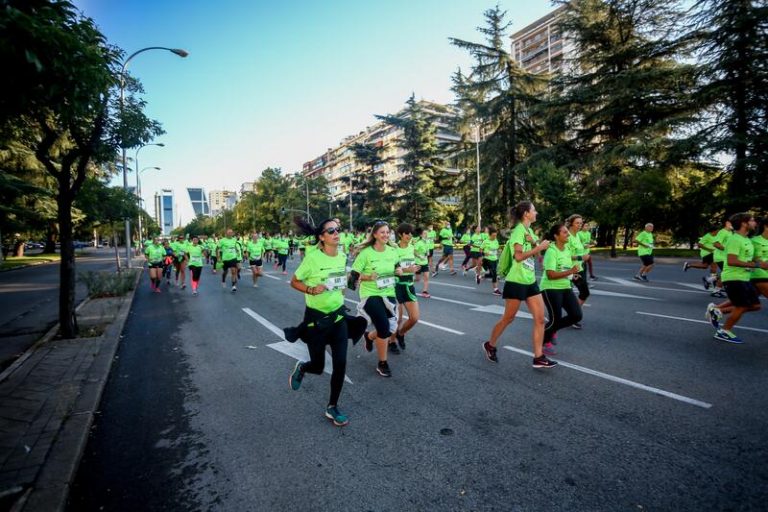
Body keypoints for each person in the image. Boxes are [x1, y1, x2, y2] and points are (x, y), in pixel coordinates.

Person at [288, 218, 352, 427]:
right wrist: (311, 289)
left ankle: (332, 406)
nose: (336, 233)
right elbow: (294, 281)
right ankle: (303, 368)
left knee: (340, 364)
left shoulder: (342, 256)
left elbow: (340, 282)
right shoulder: (312, 258)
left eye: (338, 230)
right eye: (331, 230)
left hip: (338, 318)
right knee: (318, 366)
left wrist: (343, 290)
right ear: (322, 237)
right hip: (316, 320)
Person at [482, 201, 557, 369]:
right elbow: (518, 257)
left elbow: (532, 254)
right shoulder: (518, 232)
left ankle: (538, 357)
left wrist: (536, 246)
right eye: (534, 210)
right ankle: (490, 345)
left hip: (530, 281)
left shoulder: (528, 231)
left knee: (539, 319)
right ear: (526, 214)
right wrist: (540, 247)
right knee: (508, 318)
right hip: (516, 281)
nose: (536, 212)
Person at [706, 213, 766, 343]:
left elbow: (751, 258)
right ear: (744, 223)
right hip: (734, 278)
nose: (754, 223)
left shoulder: (747, 240)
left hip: (744, 278)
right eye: (752, 220)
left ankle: (717, 311)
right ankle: (724, 331)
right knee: (742, 306)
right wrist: (756, 265)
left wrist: (760, 263)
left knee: (756, 305)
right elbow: (732, 260)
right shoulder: (734, 239)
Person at [352, 220, 399, 377]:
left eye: (388, 232)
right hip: (370, 294)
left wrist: (399, 270)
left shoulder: (393, 251)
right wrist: (367, 276)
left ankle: (368, 336)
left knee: (387, 328)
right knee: (384, 327)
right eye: (382, 232)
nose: (386, 235)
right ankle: (382, 363)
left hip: (389, 293)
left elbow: (396, 267)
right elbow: (353, 277)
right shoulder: (366, 253)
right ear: (375, 235)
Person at [541, 224, 583, 355]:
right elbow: (551, 274)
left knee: (576, 315)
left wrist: (572, 274)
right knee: (555, 319)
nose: (568, 234)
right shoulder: (551, 251)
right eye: (565, 232)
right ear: (556, 236)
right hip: (550, 288)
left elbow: (564, 269)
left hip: (565, 287)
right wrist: (570, 271)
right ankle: (543, 340)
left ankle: (550, 330)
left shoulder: (567, 250)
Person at [393, 223, 422, 351]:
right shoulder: (394, 249)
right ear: (400, 235)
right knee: (397, 318)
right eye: (407, 233)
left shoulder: (411, 247)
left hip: (409, 286)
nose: (409, 235)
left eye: (411, 233)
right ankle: (391, 341)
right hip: (396, 286)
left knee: (414, 318)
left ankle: (400, 334)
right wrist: (407, 269)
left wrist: (416, 268)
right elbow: (391, 269)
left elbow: (413, 263)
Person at [566, 214, 590, 328]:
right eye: (577, 223)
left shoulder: (577, 236)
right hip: (572, 270)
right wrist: (581, 257)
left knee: (582, 292)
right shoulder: (568, 237)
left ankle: (573, 315)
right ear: (571, 223)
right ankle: (573, 316)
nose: (580, 225)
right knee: (584, 292)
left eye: (581, 223)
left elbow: (579, 250)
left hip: (580, 268)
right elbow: (565, 256)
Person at [478, 226, 501, 295]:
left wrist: (498, 250)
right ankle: (495, 290)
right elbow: (480, 249)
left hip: (495, 259)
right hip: (487, 259)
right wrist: (484, 253)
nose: (494, 237)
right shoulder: (486, 241)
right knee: (494, 274)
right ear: (490, 235)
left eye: (496, 235)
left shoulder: (496, 241)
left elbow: (497, 248)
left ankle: (480, 276)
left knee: (492, 274)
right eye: (493, 235)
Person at [414, 227, 431, 298]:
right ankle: (409, 282)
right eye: (424, 233)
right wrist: (419, 256)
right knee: (418, 279)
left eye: (426, 233)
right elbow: (414, 251)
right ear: (421, 235)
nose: (426, 235)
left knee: (426, 277)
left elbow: (428, 250)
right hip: (418, 263)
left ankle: (425, 291)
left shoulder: (427, 242)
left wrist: (428, 253)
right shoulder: (418, 243)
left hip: (425, 263)